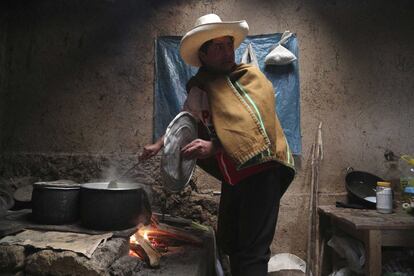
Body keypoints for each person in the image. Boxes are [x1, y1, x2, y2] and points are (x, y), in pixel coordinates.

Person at [140, 14, 295, 276]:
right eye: (218, 47)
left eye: (229, 45)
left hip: (261, 175)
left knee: (252, 252)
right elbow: (186, 120)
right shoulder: (201, 87)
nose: (227, 52)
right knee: (230, 242)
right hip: (234, 179)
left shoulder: (251, 78)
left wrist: (215, 148)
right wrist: (159, 145)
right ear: (203, 56)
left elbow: (255, 128)